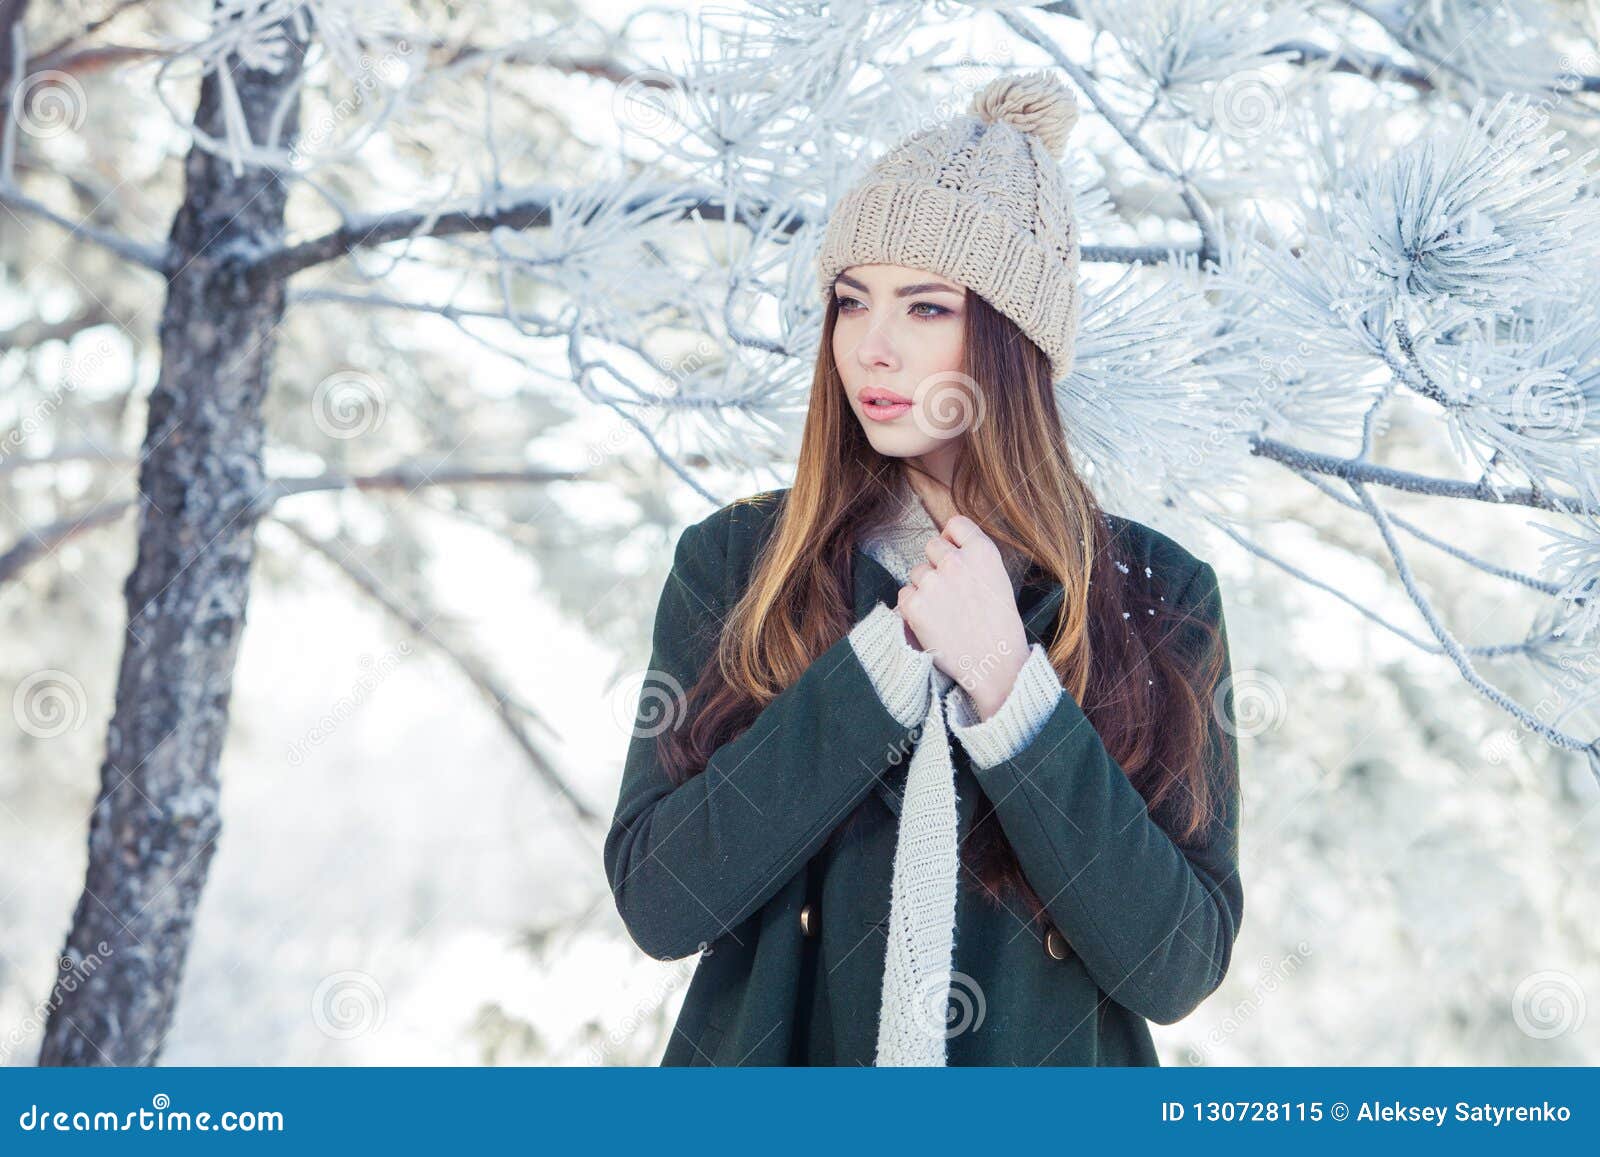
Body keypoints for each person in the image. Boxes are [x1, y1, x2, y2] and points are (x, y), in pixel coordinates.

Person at [603, 70, 1243, 1066]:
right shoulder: (736, 565)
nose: (874, 348)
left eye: (927, 307)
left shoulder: (1156, 594)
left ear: (1011, 337)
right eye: (851, 303)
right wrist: (880, 664)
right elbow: (659, 901)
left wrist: (1007, 684)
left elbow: (1176, 964)